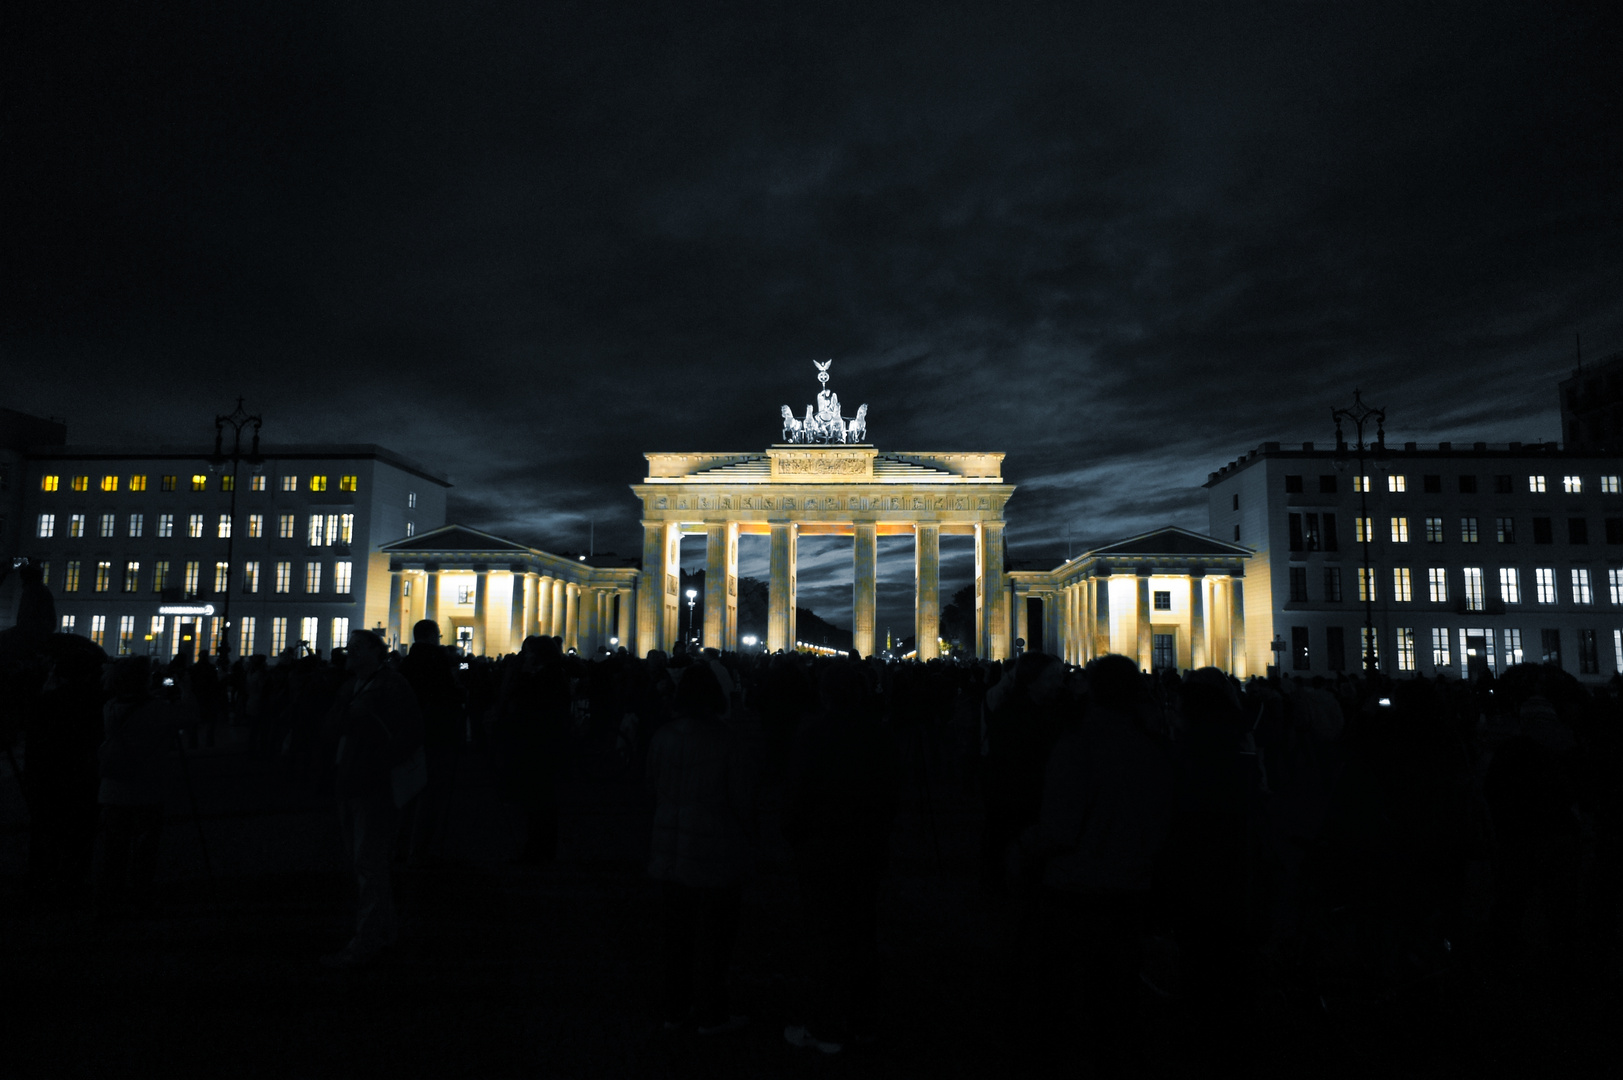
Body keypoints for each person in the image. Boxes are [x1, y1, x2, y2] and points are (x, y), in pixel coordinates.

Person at [781, 660, 899, 1055]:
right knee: (862, 935)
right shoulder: (880, 735)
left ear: (823, 693)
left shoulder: (813, 735)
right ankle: (865, 1022)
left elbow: (797, 796)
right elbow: (891, 796)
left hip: (820, 849)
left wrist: (792, 837)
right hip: (864, 848)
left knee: (822, 938)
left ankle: (825, 1025)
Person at [645, 662, 756, 1035]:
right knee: (715, 938)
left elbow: (651, 789)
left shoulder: (662, 737)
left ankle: (673, 1011)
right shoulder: (726, 740)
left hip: (670, 850)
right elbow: (741, 799)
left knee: (675, 936)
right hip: (715, 849)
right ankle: (711, 1012)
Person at [323, 629, 424, 969]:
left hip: (373, 784)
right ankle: (385, 931)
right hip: (351, 779)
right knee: (366, 861)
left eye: (356, 648)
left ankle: (366, 939)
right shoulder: (355, 684)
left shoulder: (390, 686)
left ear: (374, 652)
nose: (348, 653)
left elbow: (409, 733)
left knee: (368, 861)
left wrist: (378, 762)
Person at [96, 656, 195, 919]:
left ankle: (111, 897)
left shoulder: (110, 706)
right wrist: (185, 687)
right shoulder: (158, 709)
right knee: (144, 849)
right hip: (147, 787)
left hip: (114, 787)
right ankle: (140, 897)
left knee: (114, 848)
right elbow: (191, 715)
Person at [399, 619, 466, 862]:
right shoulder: (437, 660)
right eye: (437, 634)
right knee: (431, 791)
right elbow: (447, 694)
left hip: (410, 732)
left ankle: (403, 844)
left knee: (409, 790)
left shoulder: (406, 661)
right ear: (429, 636)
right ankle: (420, 848)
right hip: (436, 731)